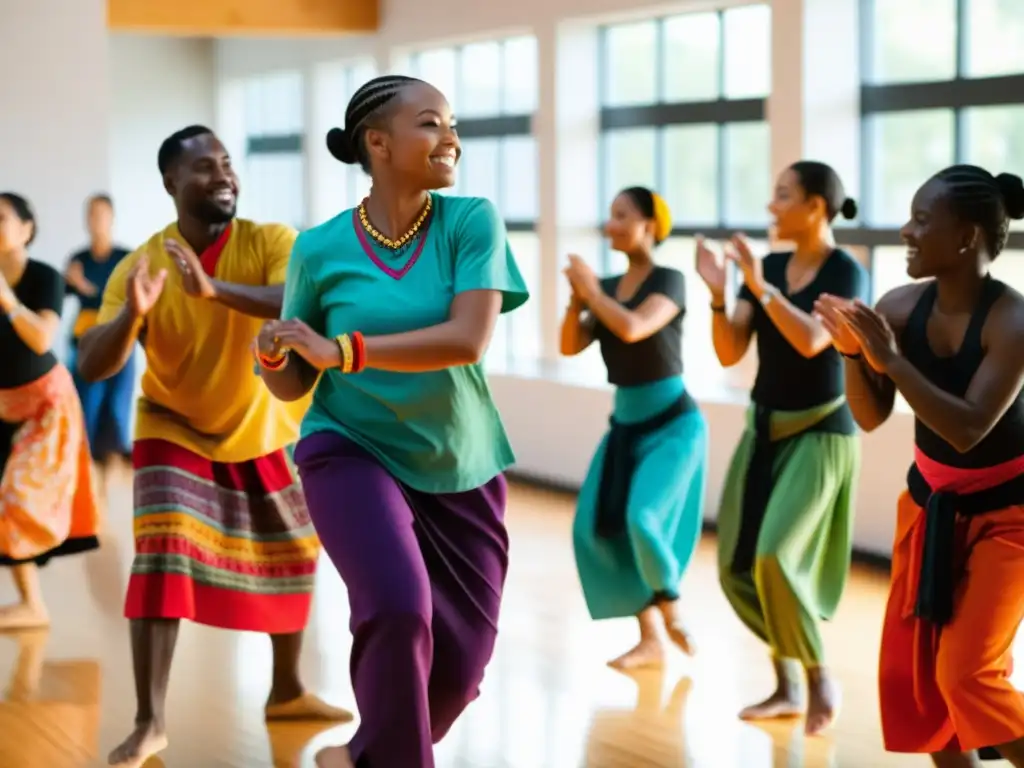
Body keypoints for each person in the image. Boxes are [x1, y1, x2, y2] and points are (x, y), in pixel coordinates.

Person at [255, 74, 529, 768]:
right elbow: (296, 383)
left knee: (461, 665)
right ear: (377, 143)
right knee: (401, 608)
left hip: (458, 459)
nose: (451, 139)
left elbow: (468, 338)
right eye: (431, 124)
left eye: (452, 124)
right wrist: (273, 359)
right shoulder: (318, 249)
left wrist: (341, 348)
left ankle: (364, 755)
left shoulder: (471, 222)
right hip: (349, 447)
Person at [75, 125, 349, 768]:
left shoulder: (270, 241)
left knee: (293, 550)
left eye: (226, 163)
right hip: (174, 424)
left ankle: (287, 689)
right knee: (163, 551)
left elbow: (294, 300)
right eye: (203, 167)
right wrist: (131, 317)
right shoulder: (140, 265)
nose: (222, 174)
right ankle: (150, 722)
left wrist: (212, 290)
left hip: (263, 422)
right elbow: (92, 362)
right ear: (172, 185)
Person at [816, 165, 1024, 767]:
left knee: (968, 675)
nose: (906, 230)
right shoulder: (900, 307)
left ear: (965, 238)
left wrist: (890, 357)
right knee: (925, 685)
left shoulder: (1012, 320)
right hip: (930, 507)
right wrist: (855, 355)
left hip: (1009, 519)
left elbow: (966, 428)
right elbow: (871, 414)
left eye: (922, 220)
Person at [695, 161, 867, 735]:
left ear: (816, 206)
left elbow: (813, 338)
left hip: (820, 435)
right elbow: (729, 349)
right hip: (762, 431)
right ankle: (786, 683)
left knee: (776, 557)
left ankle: (818, 677)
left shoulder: (846, 270)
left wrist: (759, 285)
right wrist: (720, 294)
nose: (772, 207)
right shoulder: (765, 267)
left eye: (783, 196)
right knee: (736, 568)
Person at [560, 186, 707, 670]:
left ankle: (672, 605)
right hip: (625, 426)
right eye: (610, 215)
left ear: (649, 224)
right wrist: (575, 301)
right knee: (593, 529)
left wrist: (594, 294)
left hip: (673, 424)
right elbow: (569, 345)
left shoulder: (670, 279)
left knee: (643, 518)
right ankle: (650, 638)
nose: (612, 224)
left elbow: (632, 328)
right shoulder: (604, 287)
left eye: (622, 215)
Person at [0, 192, 100, 632]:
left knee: (17, 495)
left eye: (1, 218)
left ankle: (34, 603)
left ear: (27, 228)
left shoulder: (44, 278)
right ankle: (31, 604)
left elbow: (41, 338)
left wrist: (6, 300)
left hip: (47, 406)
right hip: (2, 405)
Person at [64, 194, 134, 469]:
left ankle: (112, 461)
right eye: (91, 214)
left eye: (102, 214)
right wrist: (73, 283)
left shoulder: (125, 258)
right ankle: (85, 461)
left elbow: (122, 298)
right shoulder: (78, 258)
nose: (97, 221)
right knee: (86, 404)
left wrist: (86, 288)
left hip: (118, 339)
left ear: (112, 217)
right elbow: (65, 291)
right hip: (85, 341)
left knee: (117, 404)